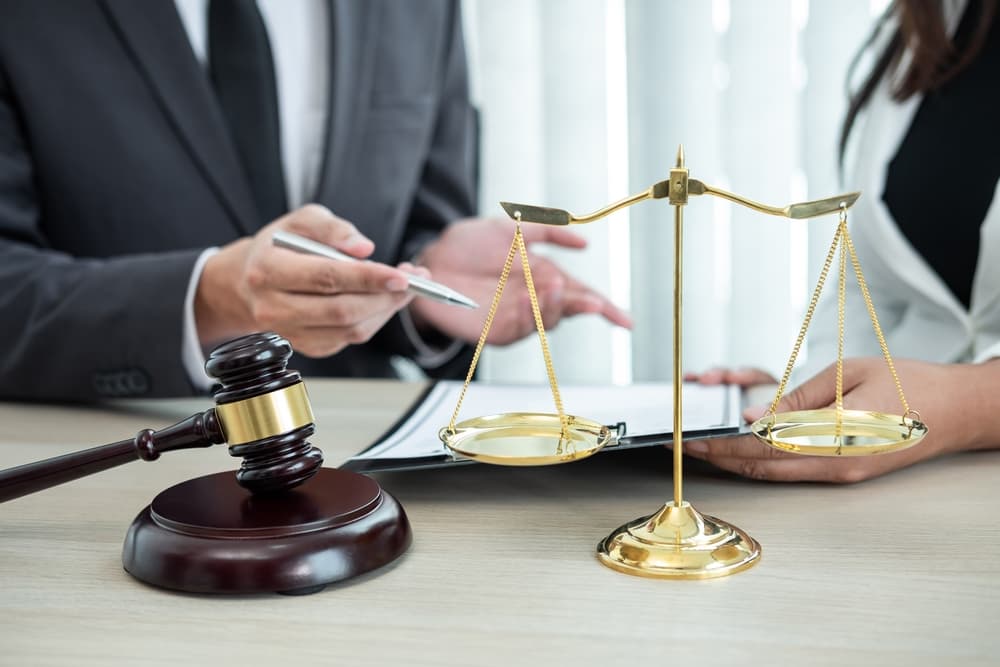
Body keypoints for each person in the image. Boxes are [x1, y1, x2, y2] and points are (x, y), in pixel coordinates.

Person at [0, 0, 630, 401]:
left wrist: (424, 290)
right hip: (116, 471)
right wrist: (205, 298)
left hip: (364, 482)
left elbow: (410, 235)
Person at [686, 0, 1000, 482]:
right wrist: (794, 401)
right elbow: (873, 296)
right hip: (919, 487)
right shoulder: (918, 30)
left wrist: (963, 405)